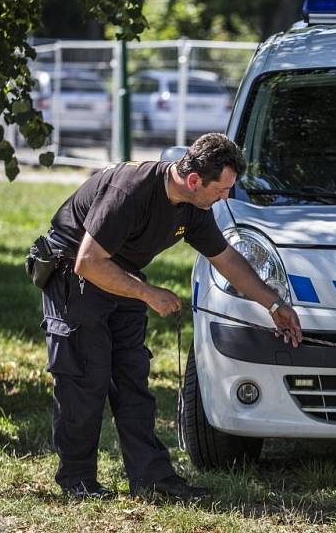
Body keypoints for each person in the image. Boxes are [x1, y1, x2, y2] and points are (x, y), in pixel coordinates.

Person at [38, 133, 302, 501]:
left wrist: (274, 305)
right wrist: (148, 293)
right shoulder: (130, 192)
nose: (225, 197)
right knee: (85, 380)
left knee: (133, 379)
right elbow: (88, 262)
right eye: (222, 189)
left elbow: (226, 259)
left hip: (121, 273)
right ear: (194, 180)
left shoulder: (194, 207)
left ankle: (152, 479)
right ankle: (77, 481)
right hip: (75, 273)